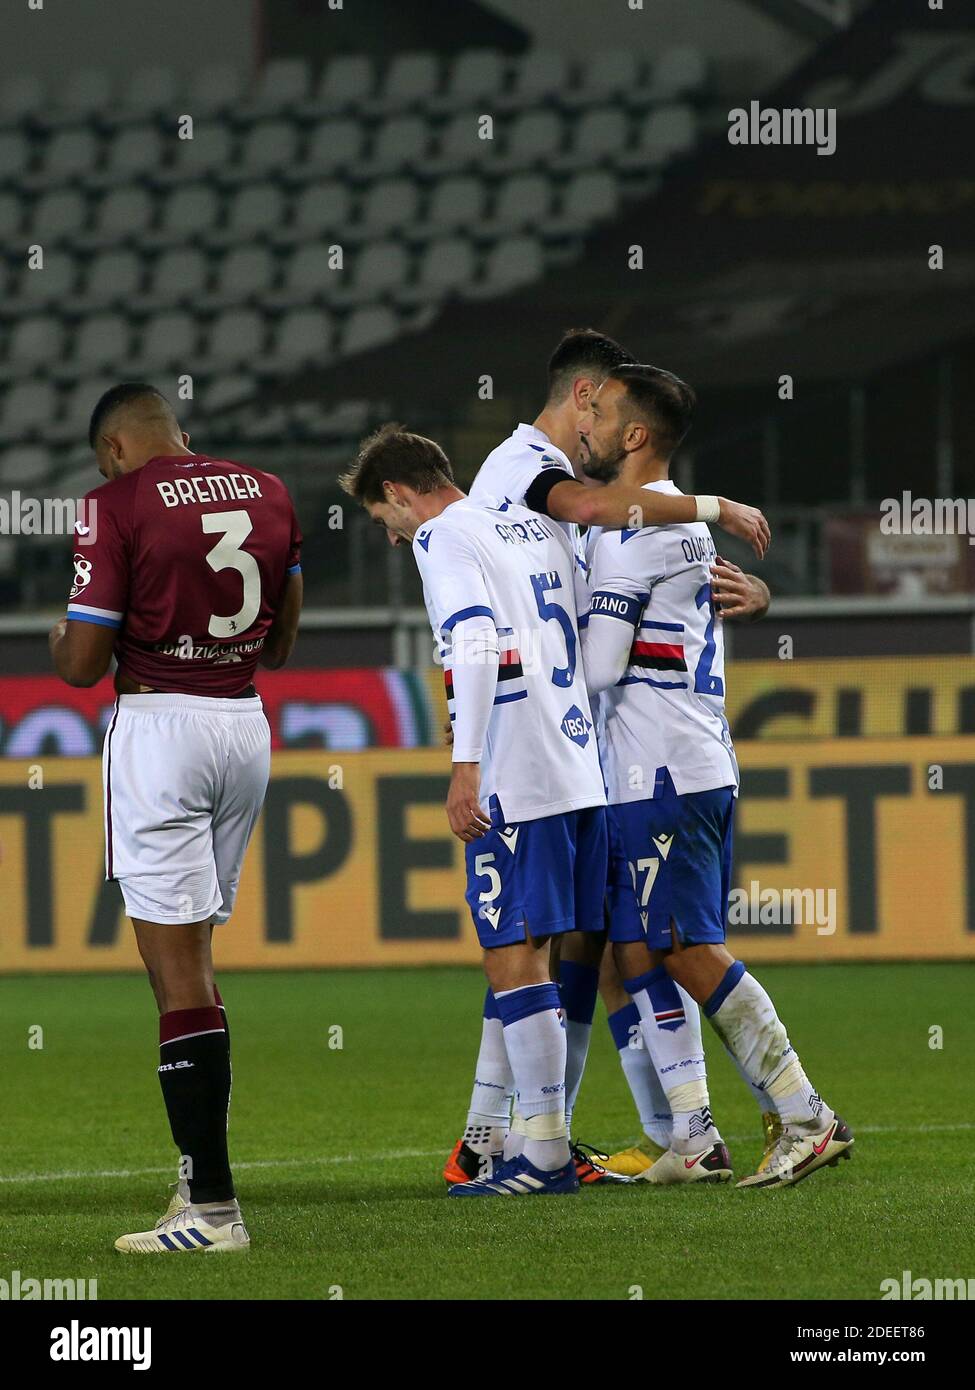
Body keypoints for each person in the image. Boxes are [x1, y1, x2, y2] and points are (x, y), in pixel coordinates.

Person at [573, 363, 854, 1187]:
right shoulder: (653, 526)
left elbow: (595, 668)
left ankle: (807, 1115)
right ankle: (692, 1134)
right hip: (662, 766)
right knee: (632, 947)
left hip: (664, 773)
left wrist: (513, 665)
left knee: (684, 945)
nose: (580, 431)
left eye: (599, 419)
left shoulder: (641, 536)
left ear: (634, 437)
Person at [50, 383, 302, 1250]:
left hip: (160, 732)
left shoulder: (111, 503)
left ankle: (213, 1210)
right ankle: (198, 1178)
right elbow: (278, 640)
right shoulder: (266, 489)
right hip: (244, 727)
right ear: (179, 433)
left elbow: (83, 664)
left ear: (114, 447)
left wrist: (60, 638)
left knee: (177, 977)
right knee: (196, 963)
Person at [340, 424, 606, 1197]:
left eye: (383, 520)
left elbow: (476, 644)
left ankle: (544, 1157)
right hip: (576, 763)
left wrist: (467, 768)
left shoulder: (443, 538)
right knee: (542, 951)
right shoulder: (526, 524)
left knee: (509, 953)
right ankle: (526, 1143)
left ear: (396, 493)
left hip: (516, 774)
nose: (392, 540)